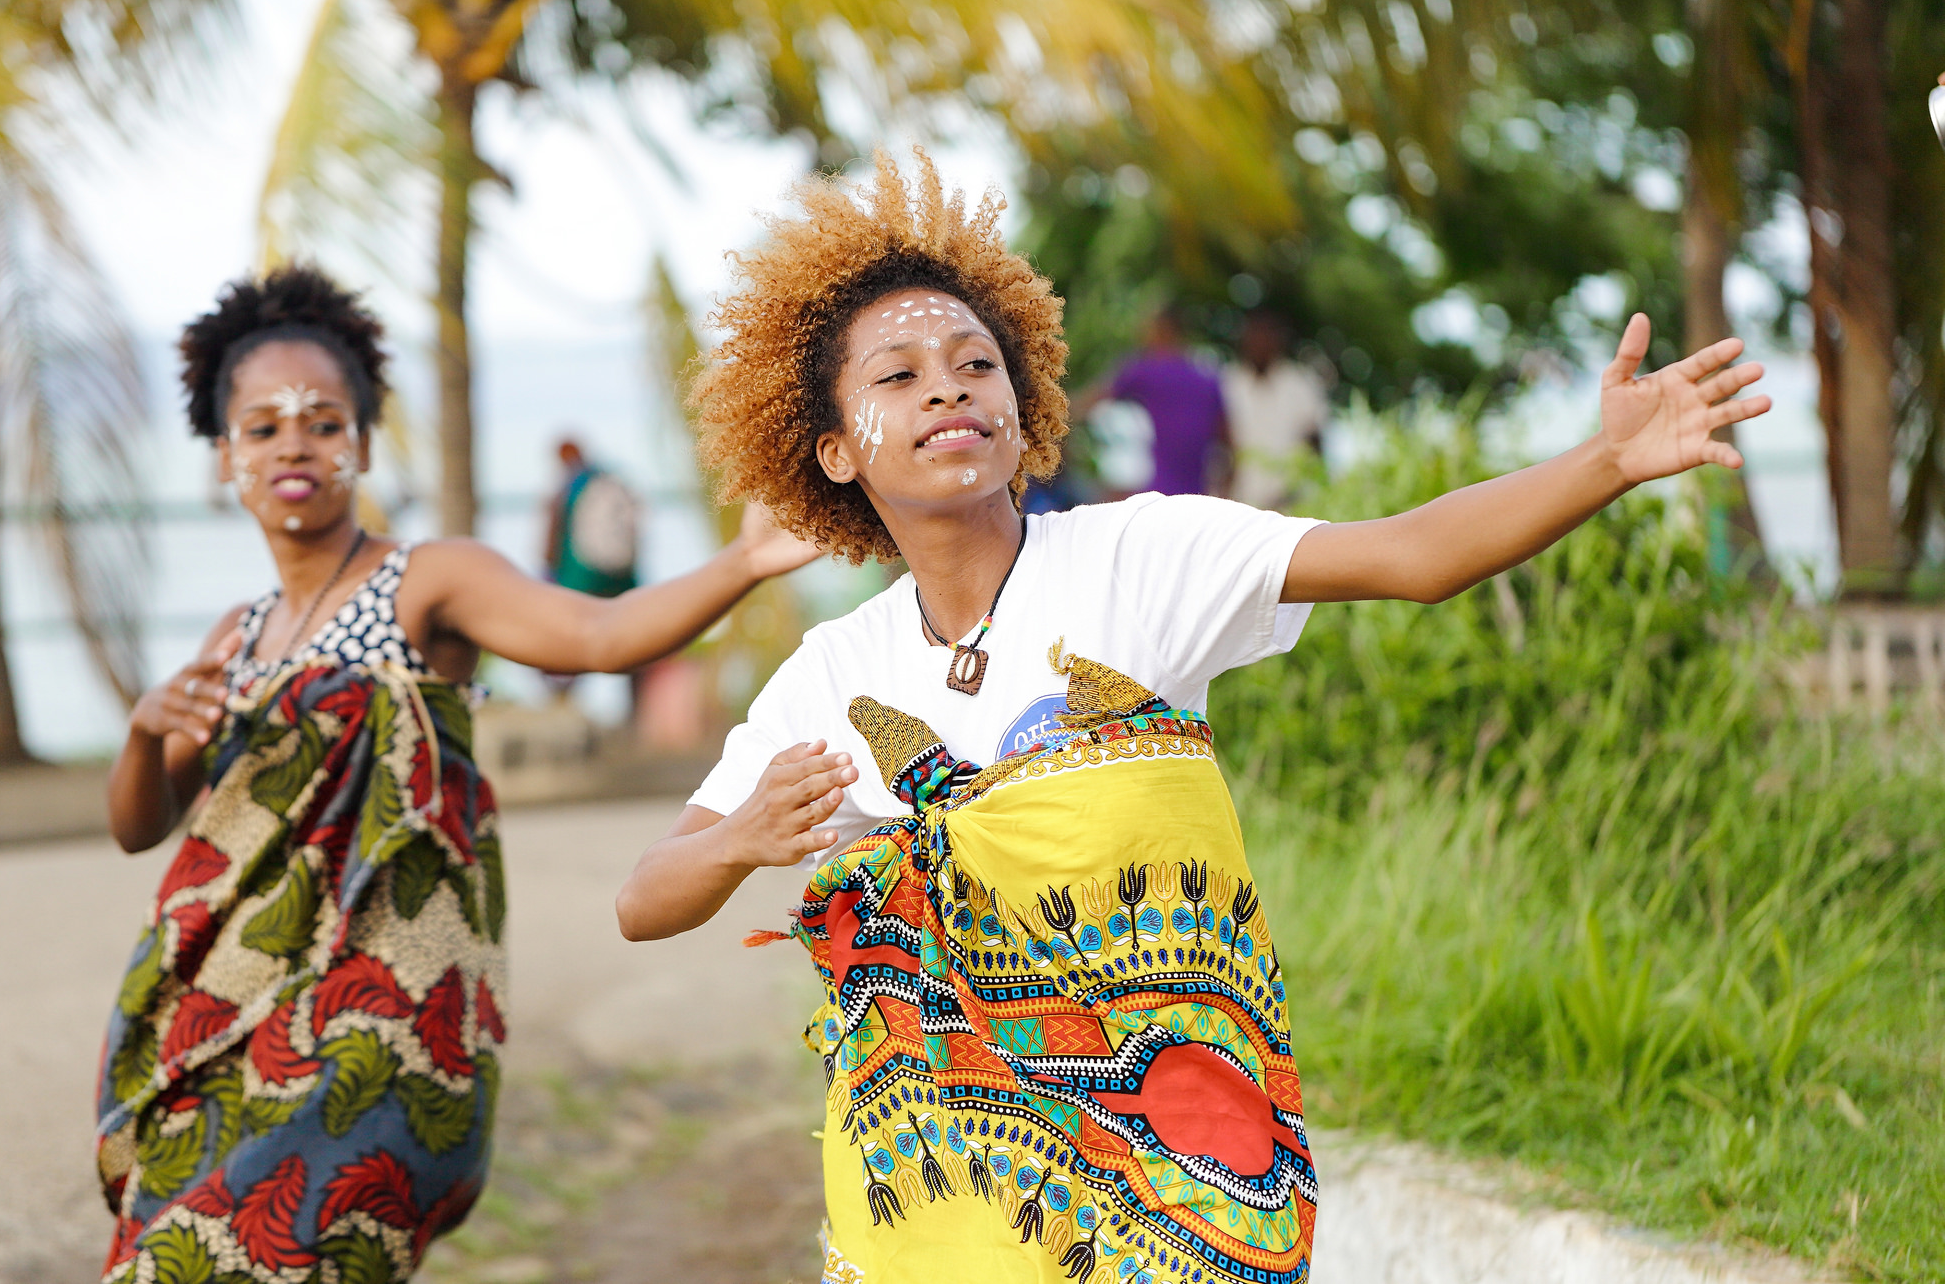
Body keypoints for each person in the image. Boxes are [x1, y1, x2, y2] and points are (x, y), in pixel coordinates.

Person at [612, 150, 1769, 1284]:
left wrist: (1603, 461)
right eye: (898, 377)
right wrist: (738, 839)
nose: (947, 390)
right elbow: (642, 900)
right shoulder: (832, 673)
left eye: (975, 364)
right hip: (945, 1220)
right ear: (831, 451)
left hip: (1184, 1190)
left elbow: (1411, 556)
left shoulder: (1141, 557)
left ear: (1024, 414)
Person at [98, 265, 818, 1284]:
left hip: (377, 1024)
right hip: (236, 1018)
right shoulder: (237, 638)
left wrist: (738, 565)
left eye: (322, 420)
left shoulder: (426, 581)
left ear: (359, 440)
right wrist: (141, 732)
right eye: (261, 428)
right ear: (224, 459)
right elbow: (145, 825)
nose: (292, 443)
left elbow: (597, 634)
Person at [1102, 305, 1229, 497]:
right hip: (1197, 493)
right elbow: (1227, 440)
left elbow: (1097, 396)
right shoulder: (1208, 378)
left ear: (1162, 330)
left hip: (1157, 490)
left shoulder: (1147, 370)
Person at [1220, 307, 1330, 510]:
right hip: (1241, 504)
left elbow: (1314, 446)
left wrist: (1297, 491)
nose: (1260, 342)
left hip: (1293, 507)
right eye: (1255, 335)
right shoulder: (1228, 384)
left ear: (1279, 340)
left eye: (1267, 335)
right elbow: (1223, 449)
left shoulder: (1300, 384)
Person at [543, 437, 641, 599]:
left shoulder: (569, 487)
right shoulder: (609, 479)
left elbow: (553, 532)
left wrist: (548, 567)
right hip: (620, 578)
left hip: (579, 580)